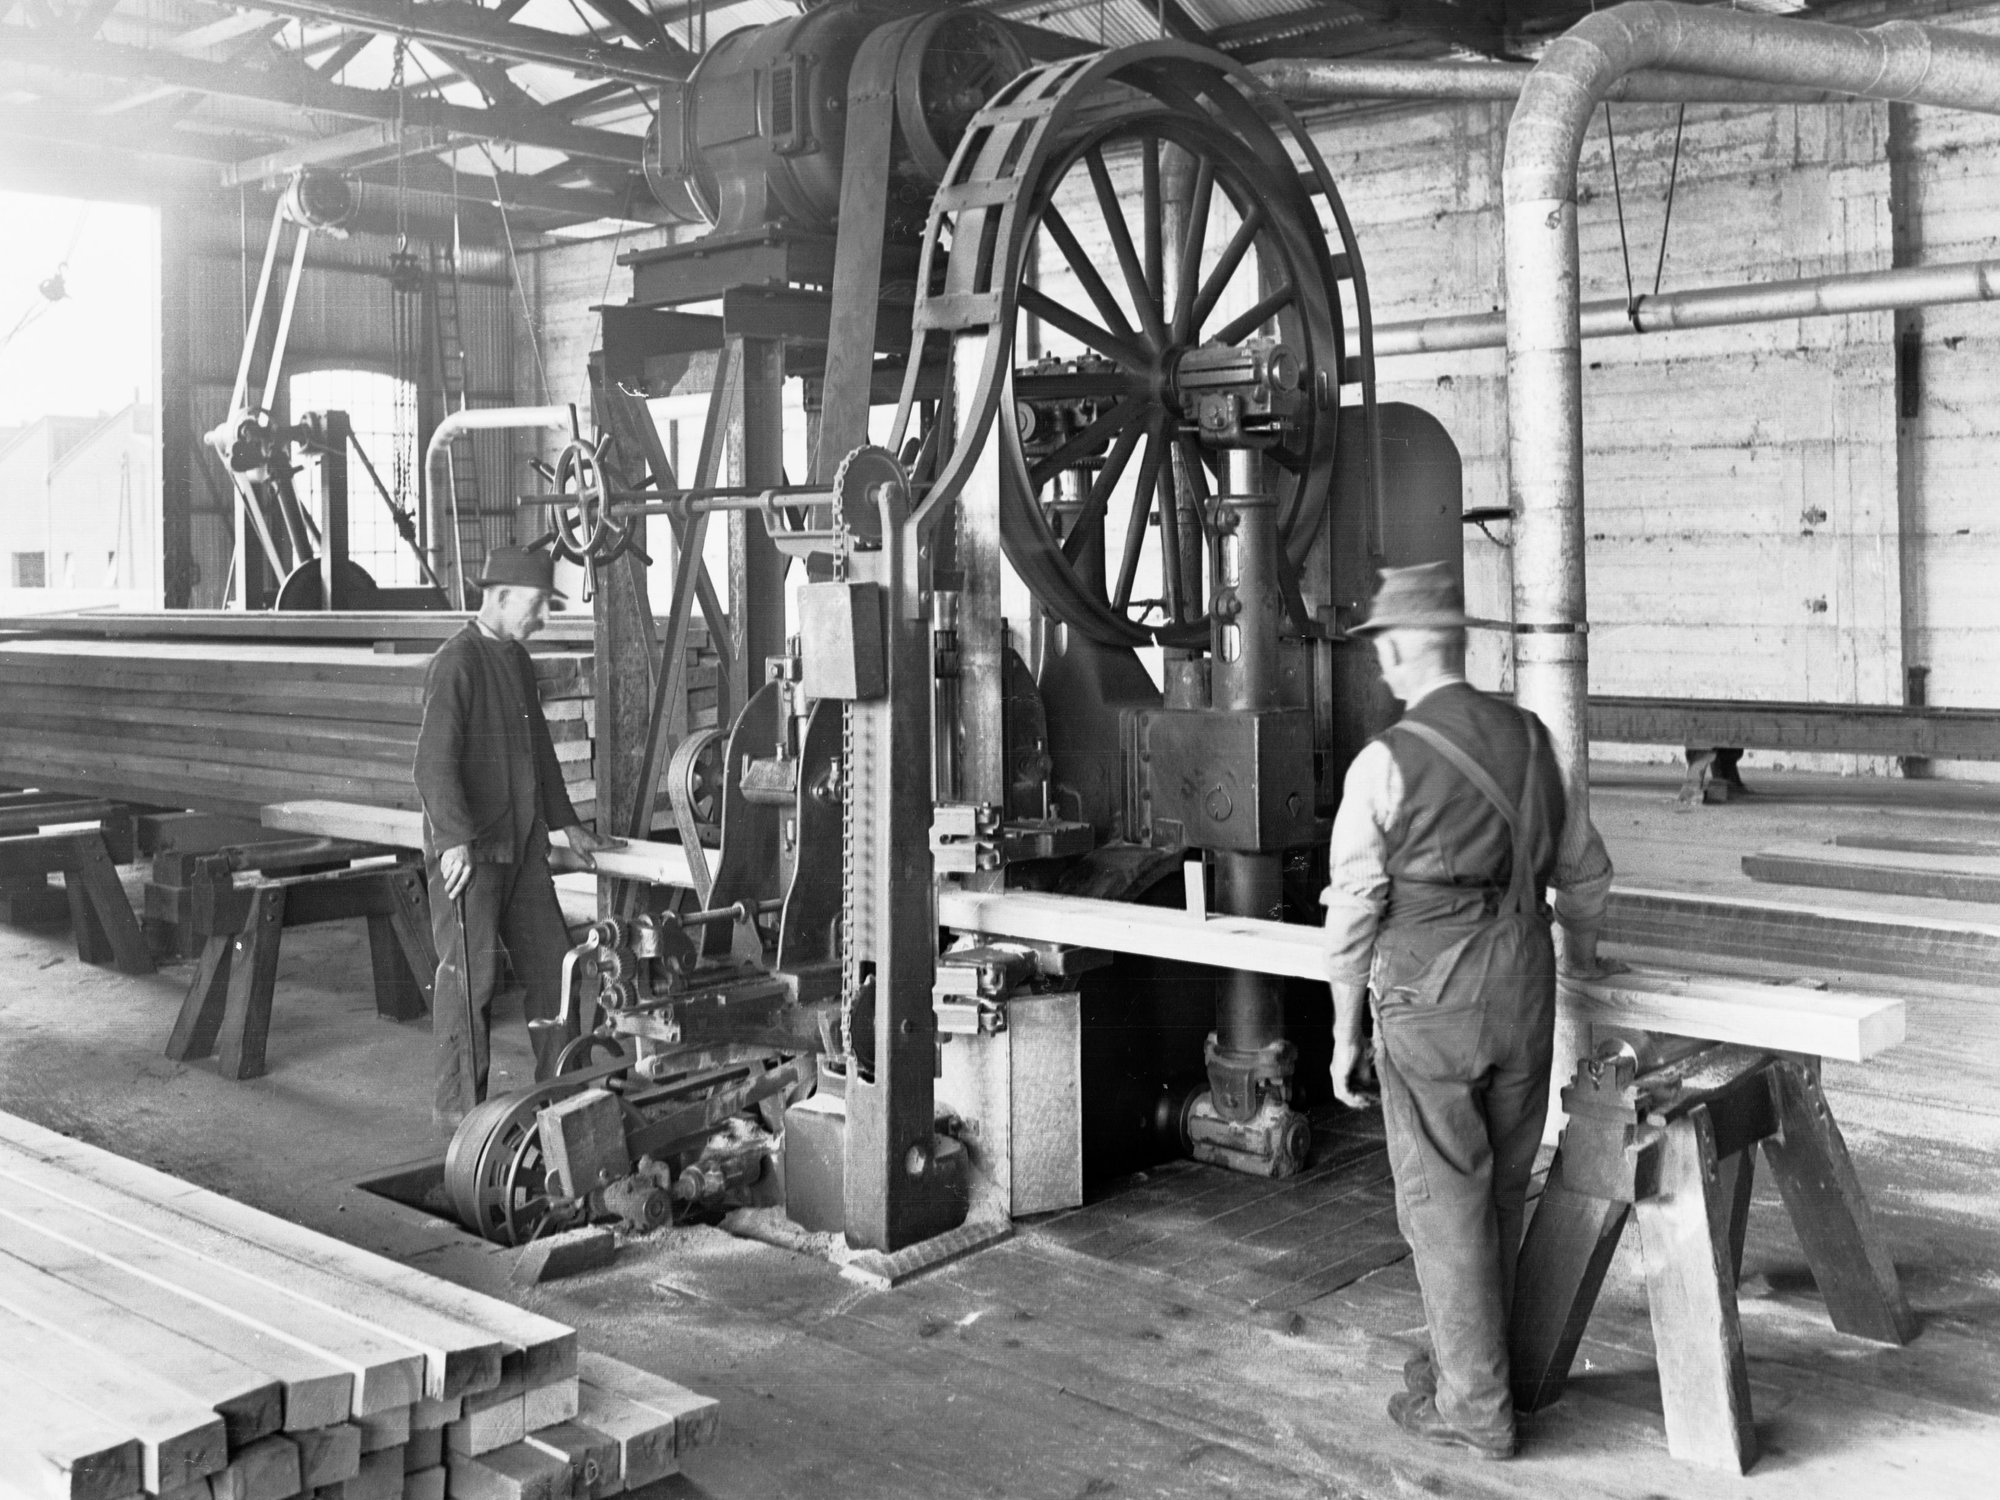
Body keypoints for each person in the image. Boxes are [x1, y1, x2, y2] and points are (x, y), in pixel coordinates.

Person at [1322, 562, 1616, 1460]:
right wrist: (1582, 971)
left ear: (1410, 647)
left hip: (1429, 1000)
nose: (1380, 668)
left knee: (1443, 1202)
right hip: (1524, 988)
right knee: (1500, 1193)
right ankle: (1475, 1368)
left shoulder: (1386, 762)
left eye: (1382, 651)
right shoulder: (1534, 742)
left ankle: (1478, 1410)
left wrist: (1343, 1033)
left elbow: (1354, 910)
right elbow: (1589, 877)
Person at [414, 545, 620, 1133]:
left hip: (523, 851)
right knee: (467, 987)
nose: (542, 619)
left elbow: (542, 757)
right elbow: (433, 764)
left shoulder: (518, 662)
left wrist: (569, 827)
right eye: (535, 607)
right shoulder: (457, 663)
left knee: (556, 968)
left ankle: (561, 1100)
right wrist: (453, 840)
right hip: (472, 858)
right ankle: (464, 1126)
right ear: (500, 598)